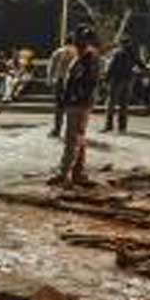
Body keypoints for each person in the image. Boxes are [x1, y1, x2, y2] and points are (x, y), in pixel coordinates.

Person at [48, 26, 101, 188]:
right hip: (77, 101)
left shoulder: (88, 58)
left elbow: (86, 83)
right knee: (79, 137)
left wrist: (73, 97)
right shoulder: (83, 57)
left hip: (78, 102)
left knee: (72, 137)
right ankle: (78, 172)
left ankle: (64, 173)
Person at [102, 36, 143, 134]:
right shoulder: (133, 53)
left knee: (111, 103)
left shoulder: (117, 53)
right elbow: (140, 63)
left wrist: (106, 78)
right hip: (129, 79)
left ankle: (109, 125)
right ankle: (122, 126)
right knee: (124, 104)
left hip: (117, 80)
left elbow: (111, 66)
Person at [48, 36, 76, 138]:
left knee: (59, 106)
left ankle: (57, 129)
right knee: (72, 107)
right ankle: (71, 130)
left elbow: (52, 67)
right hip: (73, 82)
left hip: (60, 80)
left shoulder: (58, 52)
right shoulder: (76, 52)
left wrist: (50, 79)